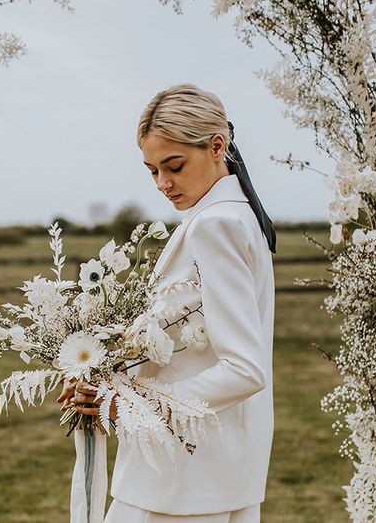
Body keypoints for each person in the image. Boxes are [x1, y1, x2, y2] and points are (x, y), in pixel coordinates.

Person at [57, 83, 277, 522]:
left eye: (173, 166)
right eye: (151, 170)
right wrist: (103, 377)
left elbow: (245, 368)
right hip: (199, 475)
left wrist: (134, 408)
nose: (162, 183)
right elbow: (185, 341)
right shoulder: (225, 217)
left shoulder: (217, 226)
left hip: (187, 480)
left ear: (217, 146)